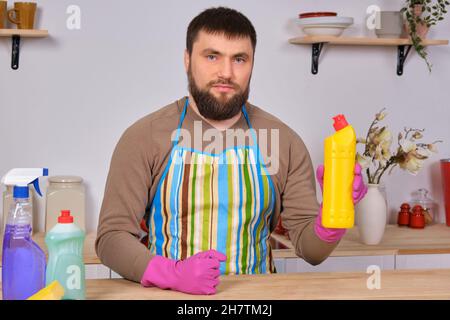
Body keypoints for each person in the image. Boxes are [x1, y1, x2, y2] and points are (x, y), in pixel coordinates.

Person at [95, 7, 367, 296]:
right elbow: (112, 238)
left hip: (258, 301)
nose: (226, 72)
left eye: (239, 59)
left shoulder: (283, 141)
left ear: (252, 64)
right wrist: (171, 274)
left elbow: (311, 251)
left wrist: (332, 218)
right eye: (212, 56)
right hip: (170, 296)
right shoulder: (145, 137)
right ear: (187, 60)